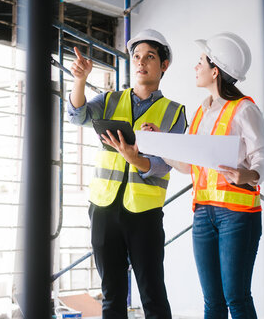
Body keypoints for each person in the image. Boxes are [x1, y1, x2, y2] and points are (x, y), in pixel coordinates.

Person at [143, 32, 264, 319]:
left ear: (215, 70)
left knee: (236, 297)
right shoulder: (201, 112)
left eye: (200, 62)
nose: (195, 67)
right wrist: (160, 142)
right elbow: (188, 165)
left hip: (237, 215)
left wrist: (247, 174)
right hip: (203, 214)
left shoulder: (245, 109)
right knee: (213, 302)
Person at [67, 29, 188, 319]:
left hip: (144, 214)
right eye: (136, 56)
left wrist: (137, 160)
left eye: (150, 57)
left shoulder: (174, 112)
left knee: (152, 295)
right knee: (112, 296)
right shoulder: (109, 100)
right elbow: (76, 114)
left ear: (164, 65)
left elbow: (166, 164)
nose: (141, 62)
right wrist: (79, 80)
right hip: (104, 209)